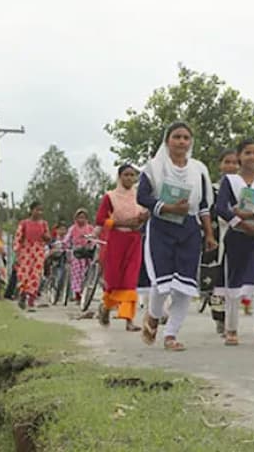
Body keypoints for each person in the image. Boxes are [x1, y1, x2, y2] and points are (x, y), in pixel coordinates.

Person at [137, 123, 217, 351]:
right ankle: (153, 315)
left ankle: (171, 334)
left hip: (189, 230)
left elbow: (203, 206)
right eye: (176, 137)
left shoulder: (198, 169)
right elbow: (142, 197)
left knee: (185, 285)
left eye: (185, 137)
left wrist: (209, 234)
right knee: (162, 282)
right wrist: (168, 208)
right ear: (167, 140)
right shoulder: (154, 167)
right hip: (161, 228)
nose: (181, 142)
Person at [215, 139, 254, 348]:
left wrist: (251, 214)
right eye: (247, 153)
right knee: (232, 282)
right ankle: (231, 329)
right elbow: (221, 207)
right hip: (236, 236)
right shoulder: (230, 181)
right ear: (240, 156)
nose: (252, 157)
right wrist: (241, 223)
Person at [95, 165, 150, 331]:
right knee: (114, 280)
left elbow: (147, 213)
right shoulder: (110, 197)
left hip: (134, 240)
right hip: (116, 239)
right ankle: (106, 307)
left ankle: (128, 320)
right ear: (119, 177)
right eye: (126, 175)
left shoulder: (140, 196)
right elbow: (100, 220)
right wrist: (122, 223)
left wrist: (143, 217)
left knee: (130, 279)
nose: (129, 178)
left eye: (132, 175)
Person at [204, 150, 242, 335]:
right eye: (227, 162)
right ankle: (219, 317)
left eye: (235, 163)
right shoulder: (212, 189)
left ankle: (232, 317)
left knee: (235, 276)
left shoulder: (244, 188)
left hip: (241, 233)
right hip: (218, 234)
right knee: (218, 276)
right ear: (220, 165)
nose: (231, 166)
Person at [14, 203, 51, 311]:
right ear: (31, 210)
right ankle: (23, 294)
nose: (39, 213)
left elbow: (48, 237)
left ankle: (31, 299)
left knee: (36, 275)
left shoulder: (44, 224)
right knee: (24, 274)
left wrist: (46, 237)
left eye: (41, 210)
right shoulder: (24, 223)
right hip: (26, 251)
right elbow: (18, 237)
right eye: (37, 210)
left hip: (38, 251)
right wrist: (17, 251)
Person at [66, 209, 96, 304]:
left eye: (83, 217)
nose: (81, 219)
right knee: (77, 274)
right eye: (79, 217)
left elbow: (94, 238)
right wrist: (66, 245)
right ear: (76, 218)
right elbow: (67, 239)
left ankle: (85, 292)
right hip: (77, 254)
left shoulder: (90, 228)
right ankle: (77, 294)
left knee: (86, 273)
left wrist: (93, 244)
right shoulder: (72, 228)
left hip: (87, 252)